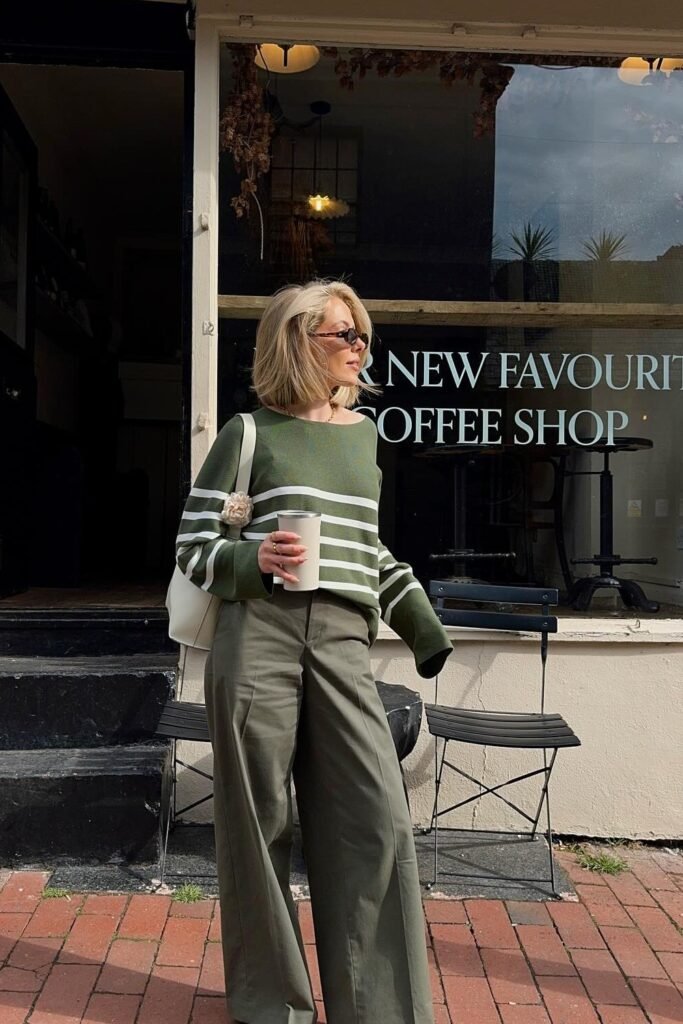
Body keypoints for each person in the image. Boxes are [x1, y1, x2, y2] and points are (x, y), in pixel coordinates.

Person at [175, 280, 452, 1024]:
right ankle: (273, 1007)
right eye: (344, 334)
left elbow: (367, 547)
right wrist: (253, 555)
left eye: (361, 334)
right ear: (299, 341)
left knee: (377, 821)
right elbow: (194, 545)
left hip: (341, 641)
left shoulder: (363, 436)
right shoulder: (248, 433)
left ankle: (381, 1008)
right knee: (258, 824)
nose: (359, 346)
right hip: (256, 634)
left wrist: (419, 620)